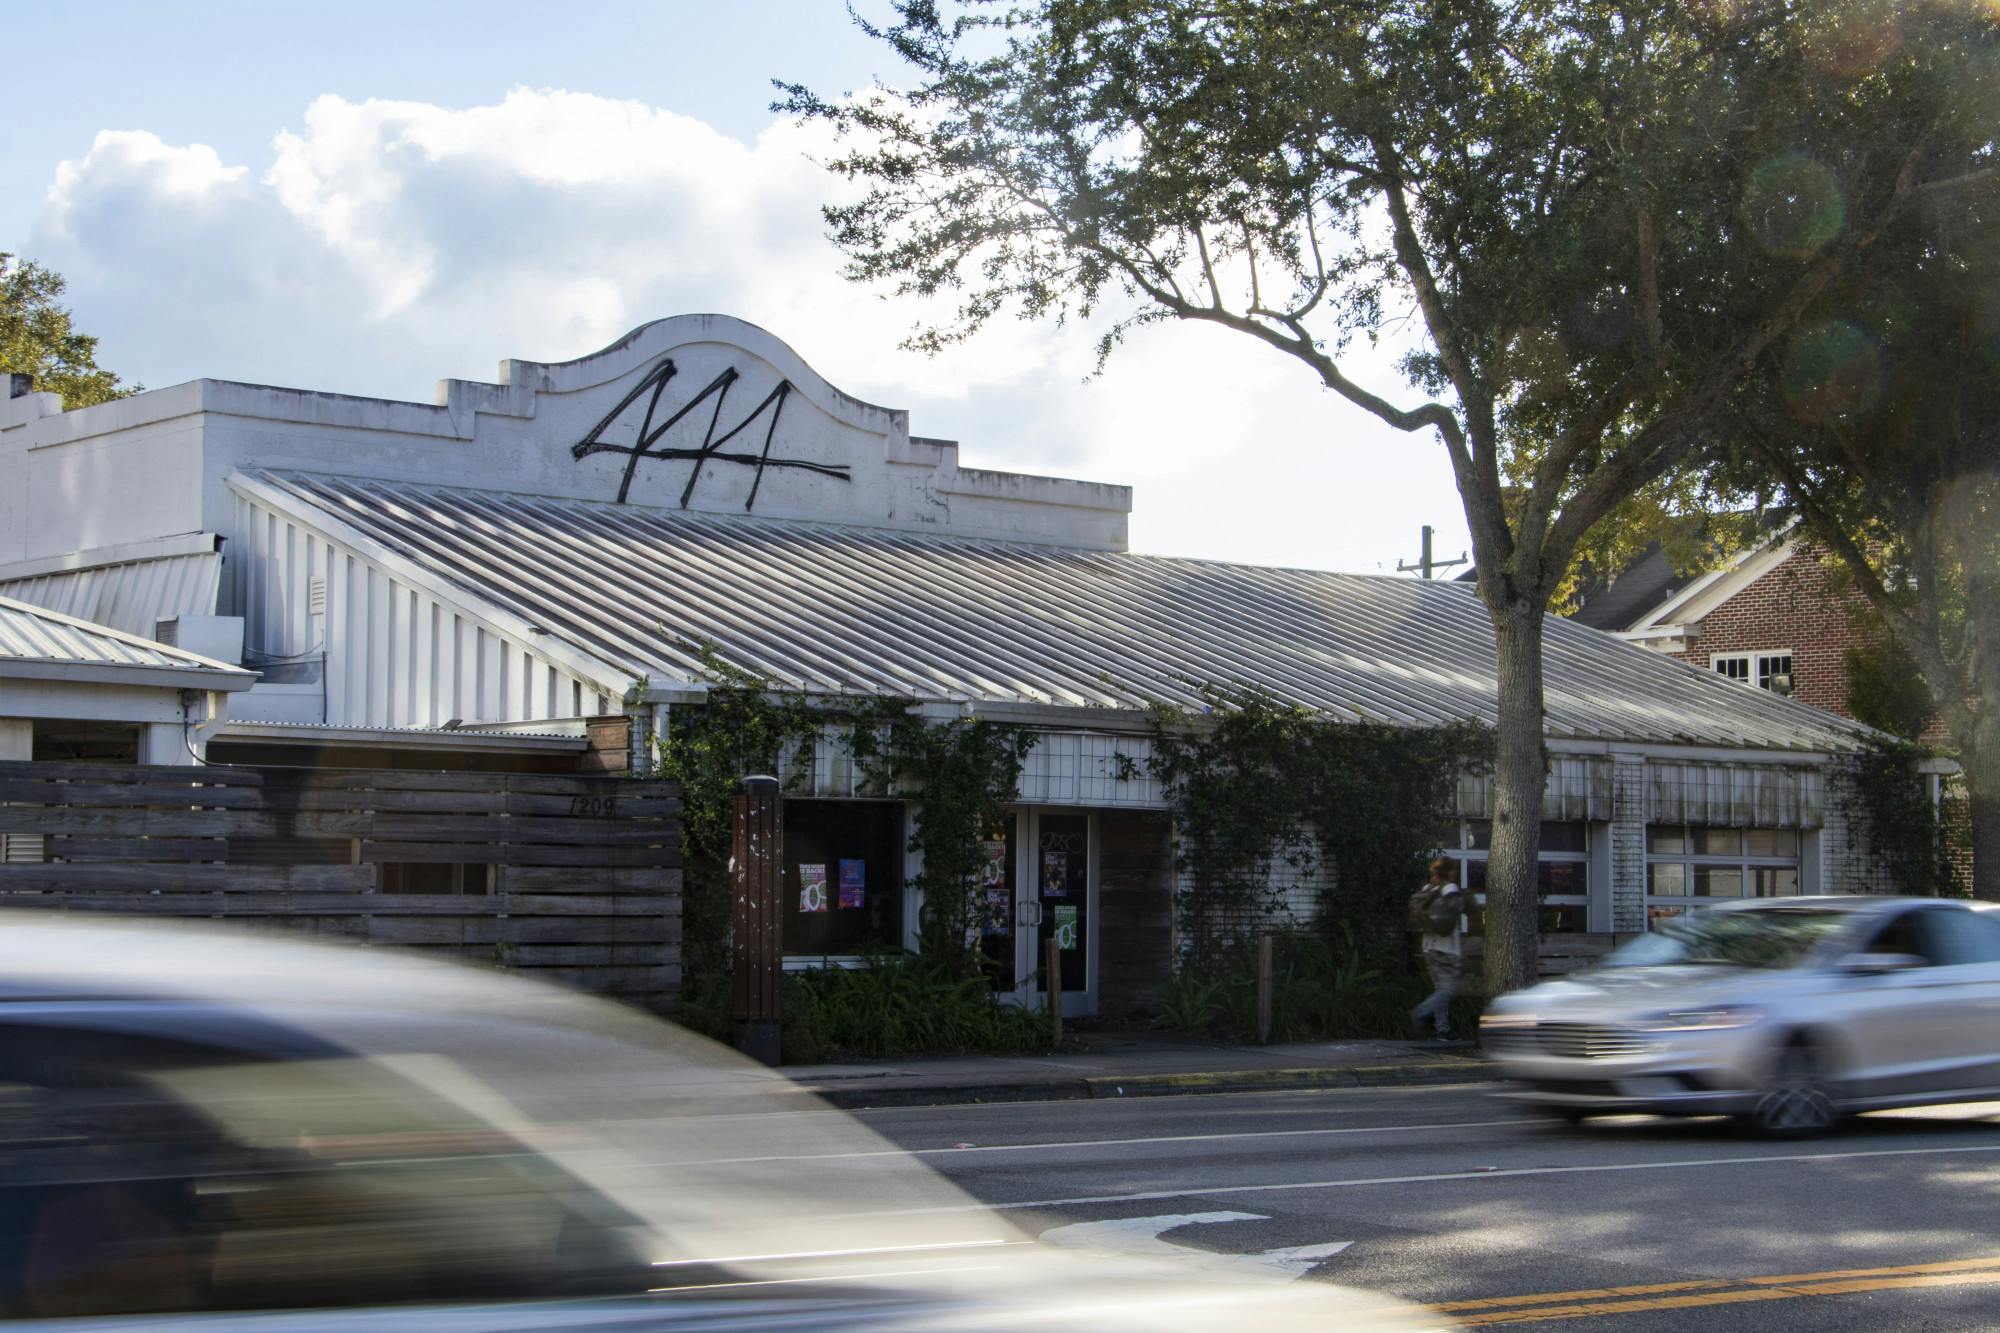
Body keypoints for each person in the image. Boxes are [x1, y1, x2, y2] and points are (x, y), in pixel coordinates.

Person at [1408, 857, 1467, 1040]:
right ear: (1450, 872)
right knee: (1448, 990)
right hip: (1447, 948)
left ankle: (1443, 1029)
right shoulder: (1450, 889)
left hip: (1428, 947)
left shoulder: (1427, 889)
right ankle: (1419, 1014)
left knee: (1440, 989)